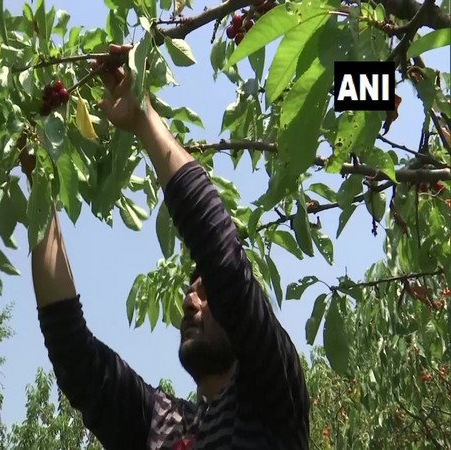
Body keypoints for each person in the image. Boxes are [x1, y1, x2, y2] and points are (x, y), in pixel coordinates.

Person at [30, 44, 309, 449]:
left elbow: (225, 264)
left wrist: (144, 118)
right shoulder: (162, 425)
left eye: (207, 295)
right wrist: (39, 181)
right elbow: (74, 354)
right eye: (191, 293)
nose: (190, 303)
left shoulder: (272, 396)